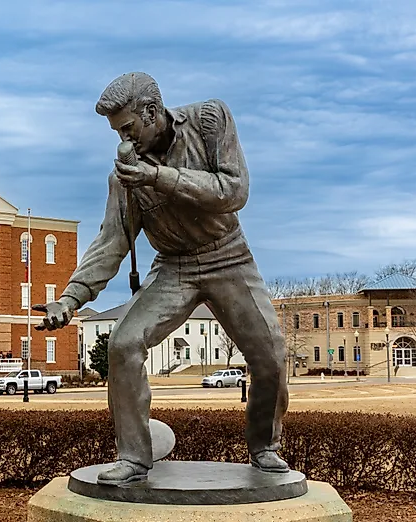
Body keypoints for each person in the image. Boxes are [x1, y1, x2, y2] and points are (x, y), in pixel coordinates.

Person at [34, 72, 288, 486]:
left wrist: (158, 178)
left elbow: (233, 190)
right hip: (173, 267)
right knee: (123, 342)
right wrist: (71, 298)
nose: (123, 141)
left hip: (229, 257)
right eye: (117, 132)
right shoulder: (124, 177)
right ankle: (134, 457)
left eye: (129, 128)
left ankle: (264, 447)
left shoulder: (210, 120)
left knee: (271, 355)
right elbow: (112, 241)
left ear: (152, 112)